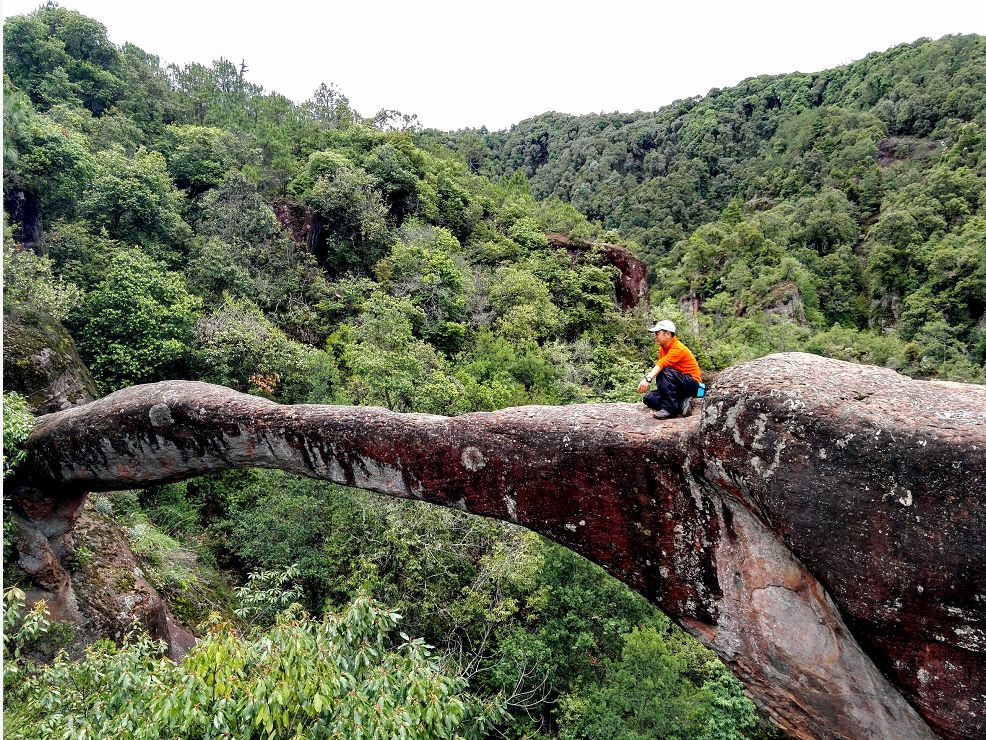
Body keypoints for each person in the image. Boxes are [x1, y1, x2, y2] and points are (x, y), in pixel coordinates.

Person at [636, 320, 702, 419]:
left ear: (667, 334)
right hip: (678, 385)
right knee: (648, 398)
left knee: (663, 370)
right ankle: (682, 403)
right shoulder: (662, 349)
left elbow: (662, 365)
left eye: (657, 333)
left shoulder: (678, 348)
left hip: (692, 384)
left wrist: (647, 379)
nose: (655, 336)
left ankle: (669, 410)